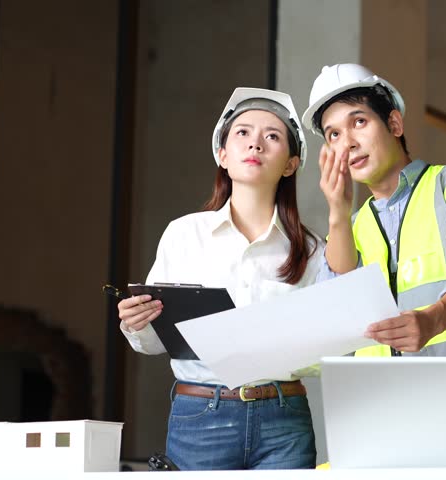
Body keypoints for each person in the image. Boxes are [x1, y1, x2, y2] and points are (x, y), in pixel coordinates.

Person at [302, 63, 446, 425]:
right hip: (380, 412)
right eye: (333, 135)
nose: (347, 143)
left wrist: (432, 320)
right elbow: (334, 310)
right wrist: (337, 213)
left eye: (359, 122)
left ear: (394, 124)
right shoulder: (352, 225)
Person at [117, 88, 323, 469]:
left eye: (272, 136)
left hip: (285, 422)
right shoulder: (184, 234)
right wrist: (137, 323)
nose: (256, 144)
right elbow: (154, 342)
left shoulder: (313, 250)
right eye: (242, 133)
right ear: (223, 155)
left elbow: (326, 349)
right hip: (200, 417)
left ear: (291, 164)